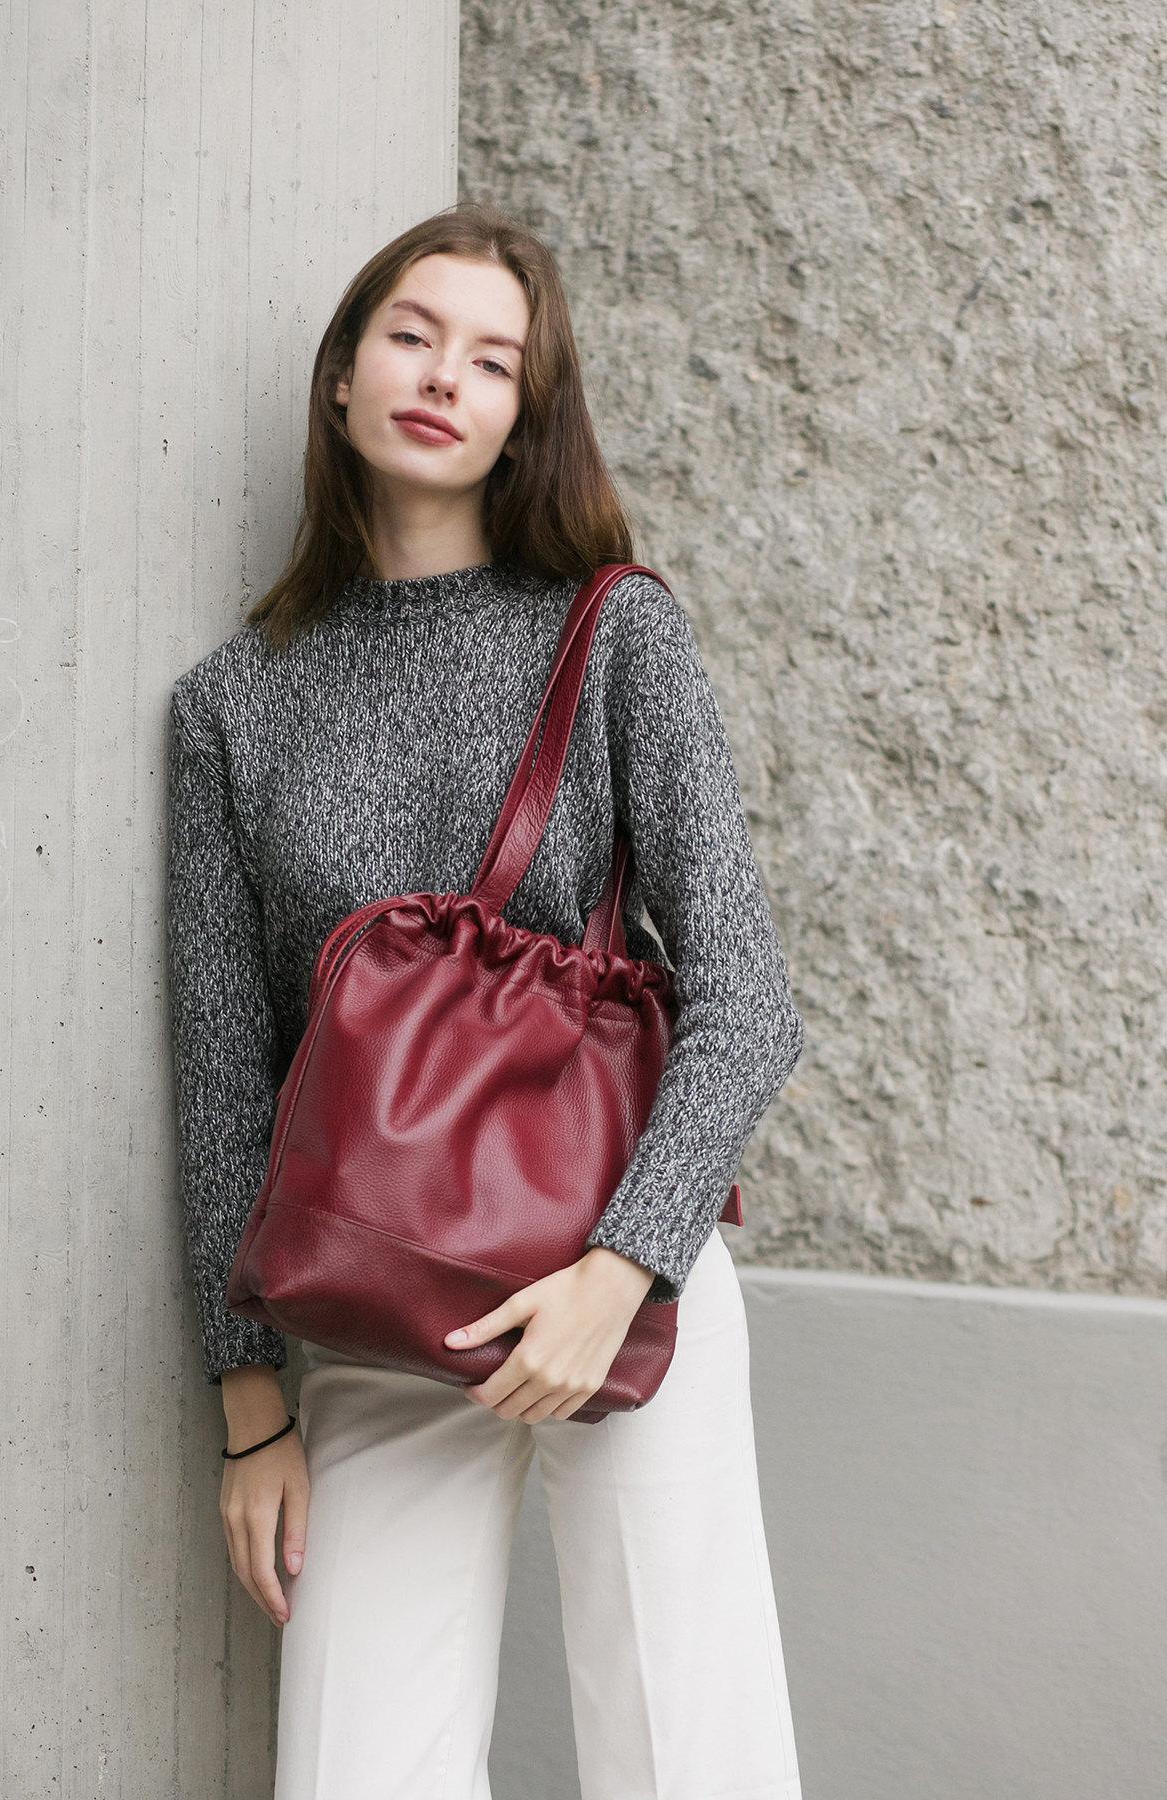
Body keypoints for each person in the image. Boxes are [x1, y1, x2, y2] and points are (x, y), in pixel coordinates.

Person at [167, 204, 805, 1800]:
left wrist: (623, 1267)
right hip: (380, 1297)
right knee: (356, 1766)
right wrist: (250, 1406)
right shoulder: (232, 707)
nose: (445, 375)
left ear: (529, 412)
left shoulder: (613, 633)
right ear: (341, 375)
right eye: (411, 334)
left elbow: (746, 992)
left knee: (688, 1751)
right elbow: (223, 1075)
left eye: (492, 357)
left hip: (621, 1277)